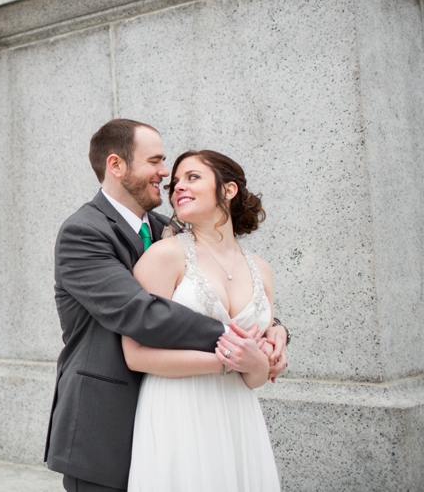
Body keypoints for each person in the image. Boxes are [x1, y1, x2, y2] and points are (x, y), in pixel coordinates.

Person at [44, 119, 288, 492]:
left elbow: (218, 290)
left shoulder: (168, 229)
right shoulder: (83, 232)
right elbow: (140, 312)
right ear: (116, 166)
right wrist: (239, 344)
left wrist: (275, 329)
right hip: (105, 421)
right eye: (155, 161)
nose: (165, 174)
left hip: (182, 416)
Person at [123, 150, 282, 491]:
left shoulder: (262, 269)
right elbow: (134, 354)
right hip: (178, 409)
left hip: (239, 414)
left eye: (192, 177)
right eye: (175, 182)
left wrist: (258, 363)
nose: (178, 186)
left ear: (228, 190)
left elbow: (256, 378)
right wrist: (227, 363)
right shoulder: (165, 256)